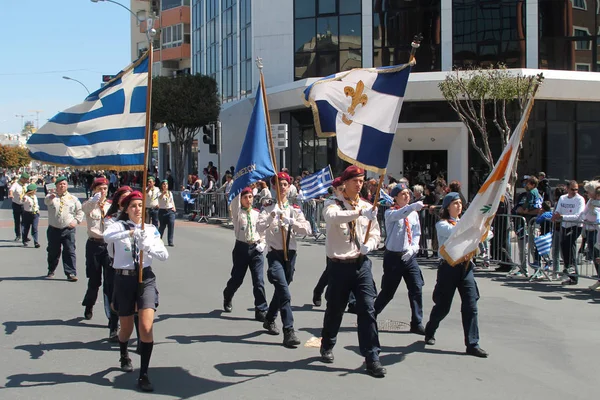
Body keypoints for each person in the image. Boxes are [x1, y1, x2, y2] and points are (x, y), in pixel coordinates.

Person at [319, 166, 385, 377]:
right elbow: (333, 218)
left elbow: (375, 234)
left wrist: (371, 245)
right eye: (355, 180)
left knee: (367, 309)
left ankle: (372, 357)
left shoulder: (367, 206)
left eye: (361, 180)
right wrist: (358, 212)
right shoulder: (333, 204)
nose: (359, 184)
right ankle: (327, 343)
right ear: (345, 183)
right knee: (335, 309)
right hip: (339, 265)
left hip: (361, 264)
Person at [103, 191, 168, 392]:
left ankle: (144, 374)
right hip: (123, 279)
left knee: (146, 328)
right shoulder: (117, 225)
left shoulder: (150, 228)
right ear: (125, 208)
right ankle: (124, 353)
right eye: (133, 206)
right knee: (126, 328)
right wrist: (131, 233)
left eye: (140, 205)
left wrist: (147, 246)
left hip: (145, 278)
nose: (137, 209)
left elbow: (164, 255)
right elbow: (107, 237)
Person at [424, 192, 488, 358]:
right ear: (447, 207)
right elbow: (457, 232)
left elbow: (485, 235)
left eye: (460, 203)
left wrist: (483, 226)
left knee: (471, 306)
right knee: (443, 306)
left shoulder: (465, 223)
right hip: (448, 268)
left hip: (465, 267)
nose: (459, 206)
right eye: (455, 203)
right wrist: (475, 228)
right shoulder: (443, 224)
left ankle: (472, 343)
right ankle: (430, 329)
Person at [256, 172, 311, 347]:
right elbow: (259, 227)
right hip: (275, 254)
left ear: (289, 187)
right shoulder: (267, 207)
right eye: (278, 185)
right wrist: (273, 216)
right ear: (273, 187)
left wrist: (290, 221)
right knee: (285, 292)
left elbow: (307, 229)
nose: (282, 188)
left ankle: (270, 317)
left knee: (282, 288)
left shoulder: (294, 209)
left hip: (291, 254)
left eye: (285, 184)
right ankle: (289, 330)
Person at [374, 183, 426, 335]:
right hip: (393, 258)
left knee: (416, 288)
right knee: (388, 292)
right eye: (402, 194)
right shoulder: (390, 213)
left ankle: (417, 322)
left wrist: (413, 248)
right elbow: (400, 214)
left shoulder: (414, 214)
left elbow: (416, 233)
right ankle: (371, 314)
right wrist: (412, 207)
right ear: (395, 198)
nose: (407, 196)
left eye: (408, 194)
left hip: (408, 257)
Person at [223, 187, 269, 321]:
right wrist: (239, 185)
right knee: (237, 279)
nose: (248, 200)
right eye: (245, 197)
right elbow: (234, 202)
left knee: (259, 281)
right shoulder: (238, 214)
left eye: (250, 197)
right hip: (241, 248)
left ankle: (260, 309)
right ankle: (228, 295)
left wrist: (262, 243)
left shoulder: (257, 214)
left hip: (255, 249)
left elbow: (263, 231)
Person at [81, 178, 115, 340]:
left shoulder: (110, 205)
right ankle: (89, 304)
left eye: (105, 188)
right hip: (94, 245)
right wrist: (93, 200)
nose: (103, 191)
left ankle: (111, 316)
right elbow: (84, 209)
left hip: (107, 246)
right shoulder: (90, 204)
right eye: (100, 188)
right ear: (94, 189)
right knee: (94, 280)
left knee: (110, 282)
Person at [45, 176, 84, 281]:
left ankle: (71, 273)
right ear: (56, 186)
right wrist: (51, 196)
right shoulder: (52, 197)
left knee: (69, 250)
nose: (62, 186)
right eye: (60, 184)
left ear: (67, 185)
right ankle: (51, 269)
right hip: (54, 229)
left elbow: (80, 211)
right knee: (53, 251)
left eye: (64, 184)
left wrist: (75, 221)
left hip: (68, 229)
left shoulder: (73, 199)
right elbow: (47, 202)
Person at [552, 180, 585, 285]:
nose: (575, 191)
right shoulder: (563, 198)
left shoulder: (580, 199)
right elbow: (558, 210)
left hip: (575, 226)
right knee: (564, 247)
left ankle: (573, 273)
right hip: (564, 226)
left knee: (569, 245)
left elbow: (578, 216)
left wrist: (562, 217)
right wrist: (557, 215)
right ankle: (570, 272)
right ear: (567, 188)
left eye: (576, 189)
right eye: (572, 189)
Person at [8, 172, 29, 242]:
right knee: (17, 221)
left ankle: (24, 235)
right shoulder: (16, 184)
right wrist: (11, 194)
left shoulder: (26, 185)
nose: (27, 181)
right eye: (26, 179)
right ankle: (18, 235)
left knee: (25, 221)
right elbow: (11, 190)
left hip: (24, 205)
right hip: (16, 204)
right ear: (22, 179)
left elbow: (29, 192)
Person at [157, 180, 176, 247]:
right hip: (162, 211)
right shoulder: (159, 193)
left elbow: (172, 201)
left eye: (166, 184)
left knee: (171, 224)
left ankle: (170, 241)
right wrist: (163, 193)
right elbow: (159, 198)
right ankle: (158, 240)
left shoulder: (170, 193)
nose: (165, 186)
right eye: (164, 184)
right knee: (162, 226)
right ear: (161, 186)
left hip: (170, 211)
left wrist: (174, 208)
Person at [21, 183, 40, 248]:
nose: (36, 191)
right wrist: (25, 195)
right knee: (26, 228)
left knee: (35, 228)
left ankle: (36, 242)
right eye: (35, 190)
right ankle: (25, 239)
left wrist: (38, 209)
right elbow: (23, 200)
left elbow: (36, 204)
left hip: (35, 214)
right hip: (27, 214)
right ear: (32, 190)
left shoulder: (34, 196)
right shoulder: (26, 197)